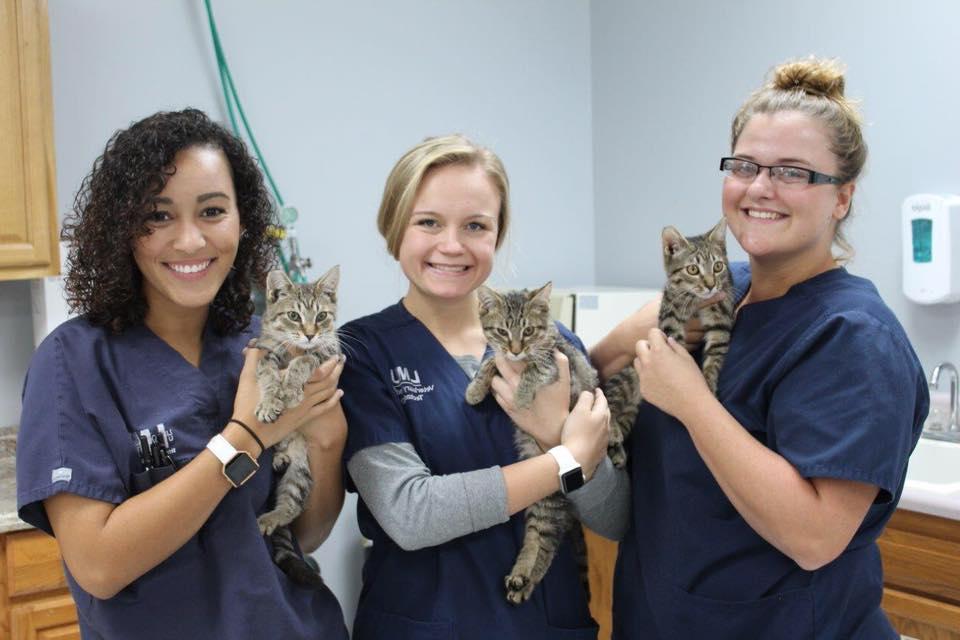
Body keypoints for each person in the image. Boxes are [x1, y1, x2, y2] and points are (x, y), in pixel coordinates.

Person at [591, 58, 929, 639]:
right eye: (744, 165)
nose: (760, 187)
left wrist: (694, 403)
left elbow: (816, 538)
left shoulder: (853, 337)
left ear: (841, 198)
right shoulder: (720, 291)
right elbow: (602, 369)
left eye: (793, 172)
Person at [16, 108, 349, 639]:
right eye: (160, 215)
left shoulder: (264, 344)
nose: (191, 241)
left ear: (243, 221)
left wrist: (329, 444)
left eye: (213, 210)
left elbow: (303, 536)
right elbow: (99, 567)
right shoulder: (73, 362)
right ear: (124, 227)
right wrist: (244, 437)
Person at [337, 134, 623, 639]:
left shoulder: (556, 346)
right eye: (428, 222)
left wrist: (559, 434)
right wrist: (565, 457)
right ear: (394, 226)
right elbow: (411, 514)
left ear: (497, 234)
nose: (452, 245)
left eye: (475, 225)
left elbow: (616, 518)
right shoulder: (364, 353)